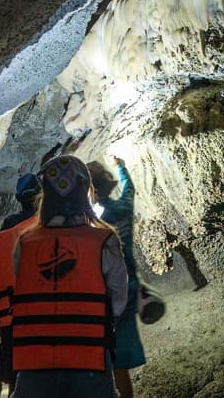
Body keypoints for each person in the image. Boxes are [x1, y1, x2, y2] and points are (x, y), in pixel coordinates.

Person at [10, 155, 128, 398]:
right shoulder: (103, 241)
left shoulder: (25, 243)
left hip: (34, 359)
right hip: (89, 357)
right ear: (85, 190)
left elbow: (20, 287)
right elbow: (118, 302)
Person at [89, 157, 146, 398]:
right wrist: (122, 167)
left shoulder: (92, 218)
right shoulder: (123, 208)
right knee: (121, 359)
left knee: (99, 355)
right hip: (129, 286)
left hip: (103, 291)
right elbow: (130, 190)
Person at [0, 174, 42, 398]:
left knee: (15, 369)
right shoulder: (47, 222)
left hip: (13, 308)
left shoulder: (9, 225)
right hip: (42, 308)